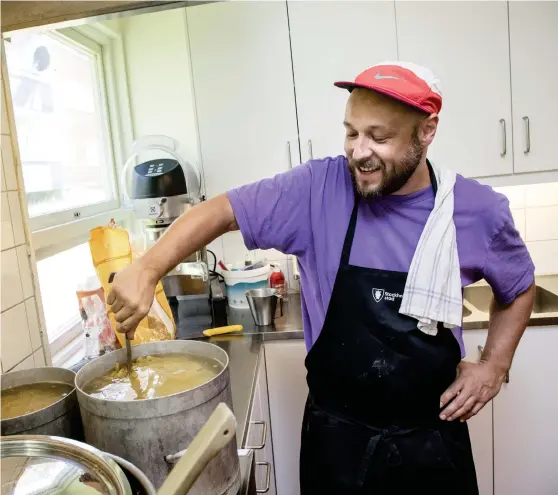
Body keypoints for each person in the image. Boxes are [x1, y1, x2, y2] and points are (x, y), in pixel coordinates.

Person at [107, 62, 535, 494]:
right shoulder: (318, 189)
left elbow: (518, 287)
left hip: (431, 444)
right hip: (337, 444)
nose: (359, 151)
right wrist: (146, 269)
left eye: (379, 136)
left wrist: (493, 367)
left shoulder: (474, 211)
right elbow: (221, 211)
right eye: (351, 132)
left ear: (426, 132)